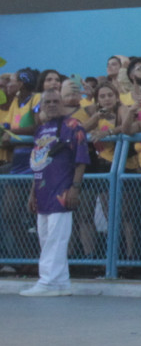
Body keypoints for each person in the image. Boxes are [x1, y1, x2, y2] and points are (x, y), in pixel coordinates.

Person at [22, 81, 86, 296]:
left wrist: (75, 187)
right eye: (46, 102)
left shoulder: (74, 126)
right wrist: (32, 192)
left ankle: (47, 282)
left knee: (56, 239)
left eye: (55, 101)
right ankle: (60, 282)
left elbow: (81, 160)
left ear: (62, 103)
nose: (51, 105)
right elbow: (37, 162)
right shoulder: (40, 130)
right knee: (45, 237)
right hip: (41, 191)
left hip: (62, 190)